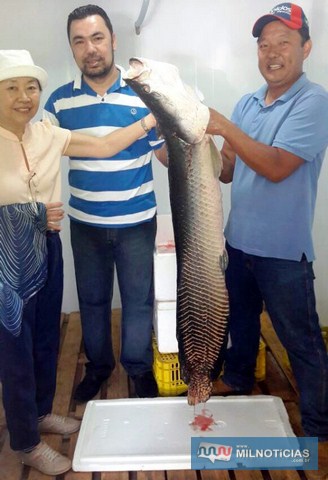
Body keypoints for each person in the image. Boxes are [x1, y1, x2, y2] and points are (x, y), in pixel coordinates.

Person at [0, 48, 157, 476]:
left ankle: (39, 413)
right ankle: (26, 442)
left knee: (46, 337)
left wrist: (149, 118)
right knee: (14, 350)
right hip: (4, 258)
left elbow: (105, 146)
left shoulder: (48, 133)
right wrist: (26, 214)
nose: (24, 96)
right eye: (11, 87)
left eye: (31, 86)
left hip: (46, 245)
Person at [207, 3, 328, 479]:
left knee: (302, 343)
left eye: (283, 42)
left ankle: (317, 432)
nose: (272, 52)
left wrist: (224, 126)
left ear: (306, 49)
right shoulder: (246, 102)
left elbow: (277, 167)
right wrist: (178, 151)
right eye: (264, 43)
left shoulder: (315, 101)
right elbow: (227, 171)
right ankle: (237, 380)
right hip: (239, 243)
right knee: (240, 323)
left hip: (283, 253)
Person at [43, 4, 167, 404]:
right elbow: (40, 162)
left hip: (136, 221)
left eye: (97, 38)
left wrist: (182, 126)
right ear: (72, 49)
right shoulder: (58, 105)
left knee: (137, 300)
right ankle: (98, 367)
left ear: (113, 40)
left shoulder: (144, 95)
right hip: (85, 224)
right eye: (79, 41)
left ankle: (138, 369)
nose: (89, 48)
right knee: (92, 301)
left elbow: (165, 156)